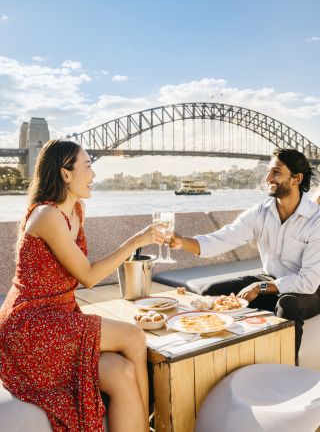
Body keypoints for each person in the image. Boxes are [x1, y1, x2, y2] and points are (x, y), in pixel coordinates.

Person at [0, 139, 164, 432]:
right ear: (66, 174)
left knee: (122, 373)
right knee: (134, 337)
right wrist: (137, 240)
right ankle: (158, 424)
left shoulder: (77, 211)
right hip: (30, 327)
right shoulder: (46, 215)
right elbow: (88, 276)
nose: (94, 174)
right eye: (88, 166)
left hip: (60, 317)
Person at [170, 148, 320, 361]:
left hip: (311, 290)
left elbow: (309, 281)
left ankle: (286, 372)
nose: (268, 178)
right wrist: (182, 242)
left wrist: (259, 287)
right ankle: (214, 361)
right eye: (268, 171)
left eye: (276, 172)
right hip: (270, 282)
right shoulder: (261, 212)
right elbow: (222, 239)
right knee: (210, 291)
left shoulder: (316, 220)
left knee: (287, 305)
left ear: (297, 178)